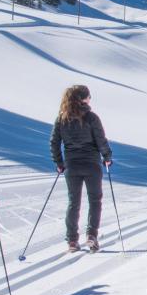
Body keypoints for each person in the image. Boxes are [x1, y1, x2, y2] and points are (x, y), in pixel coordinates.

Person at [50, 84, 113, 252]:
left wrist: (59, 162)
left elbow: (54, 142)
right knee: (95, 200)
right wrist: (107, 157)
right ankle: (91, 236)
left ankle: (72, 240)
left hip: (72, 166)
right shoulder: (91, 117)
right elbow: (101, 140)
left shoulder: (62, 118)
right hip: (92, 164)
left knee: (74, 202)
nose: (90, 99)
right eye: (89, 96)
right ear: (83, 99)